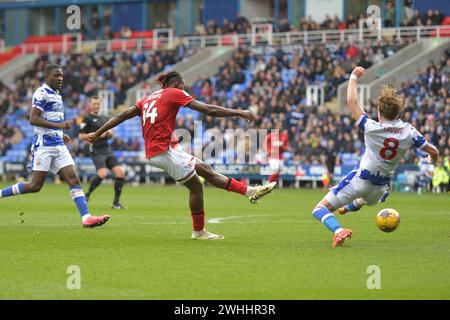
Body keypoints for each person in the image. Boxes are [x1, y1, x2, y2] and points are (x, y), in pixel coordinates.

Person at [86, 71, 277, 240]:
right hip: (164, 151)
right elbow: (207, 109)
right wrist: (239, 112)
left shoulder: (149, 97)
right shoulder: (175, 92)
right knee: (196, 186)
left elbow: (122, 115)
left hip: (165, 149)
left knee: (205, 170)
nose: (185, 89)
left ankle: (251, 192)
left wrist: (98, 132)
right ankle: (200, 231)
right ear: (177, 84)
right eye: (184, 85)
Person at [312, 66, 439, 248]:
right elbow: (434, 151)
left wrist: (353, 76)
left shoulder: (371, 127)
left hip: (360, 181)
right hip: (379, 190)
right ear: (398, 113)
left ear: (380, 113)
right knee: (364, 200)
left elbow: (351, 101)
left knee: (319, 209)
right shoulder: (409, 132)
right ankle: (348, 207)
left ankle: (338, 230)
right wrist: (431, 162)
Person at [0, 64, 109, 228]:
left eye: (62, 76)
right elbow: (33, 119)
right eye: (56, 75)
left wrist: (59, 133)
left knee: (73, 179)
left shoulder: (57, 94)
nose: (60, 79)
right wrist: (58, 127)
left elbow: (51, 119)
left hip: (58, 144)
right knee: (35, 186)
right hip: (44, 146)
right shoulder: (41, 93)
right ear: (47, 76)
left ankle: (86, 218)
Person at [78, 96, 126, 209]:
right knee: (102, 174)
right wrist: (95, 135)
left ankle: (116, 203)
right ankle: (87, 195)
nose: (96, 106)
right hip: (96, 150)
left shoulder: (104, 118)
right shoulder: (86, 118)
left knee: (120, 173)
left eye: (98, 104)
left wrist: (109, 134)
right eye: (94, 104)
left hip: (107, 149)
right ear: (89, 105)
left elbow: (111, 132)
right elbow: (81, 136)